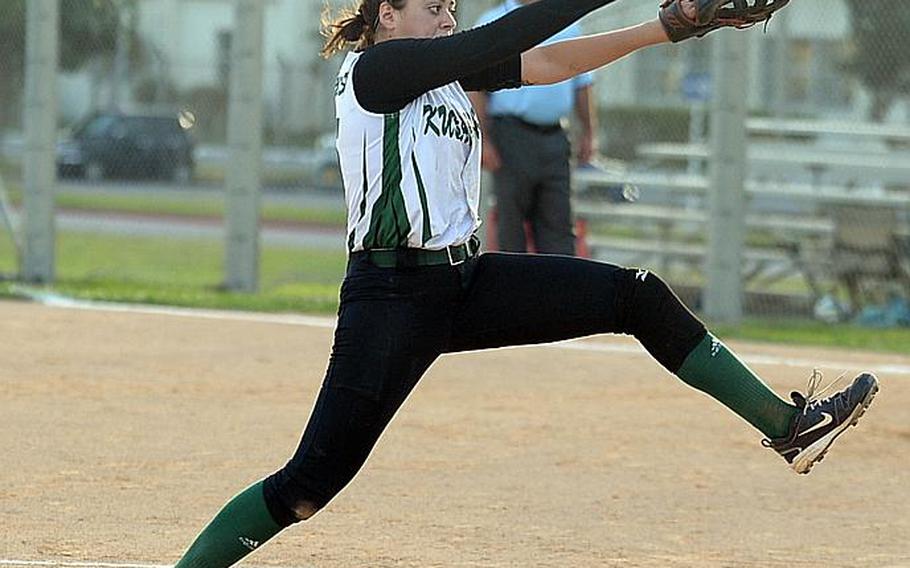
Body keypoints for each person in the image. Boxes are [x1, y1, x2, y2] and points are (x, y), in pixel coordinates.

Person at [172, 0, 878, 566]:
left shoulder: (443, 75)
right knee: (308, 488)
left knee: (635, 294)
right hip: (390, 298)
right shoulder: (379, 71)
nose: (447, 20)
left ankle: (790, 427)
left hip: (464, 283)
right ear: (386, 15)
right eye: (432, 8)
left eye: (451, 9)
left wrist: (660, 28)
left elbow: (549, 60)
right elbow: (507, 35)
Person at [468, 0, 597, 255]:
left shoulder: (565, 19)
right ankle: (514, 293)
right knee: (510, 226)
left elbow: (583, 83)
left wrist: (590, 133)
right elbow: (475, 88)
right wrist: (482, 139)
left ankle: (556, 293)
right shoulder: (492, 21)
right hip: (510, 136)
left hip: (556, 138)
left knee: (559, 226)